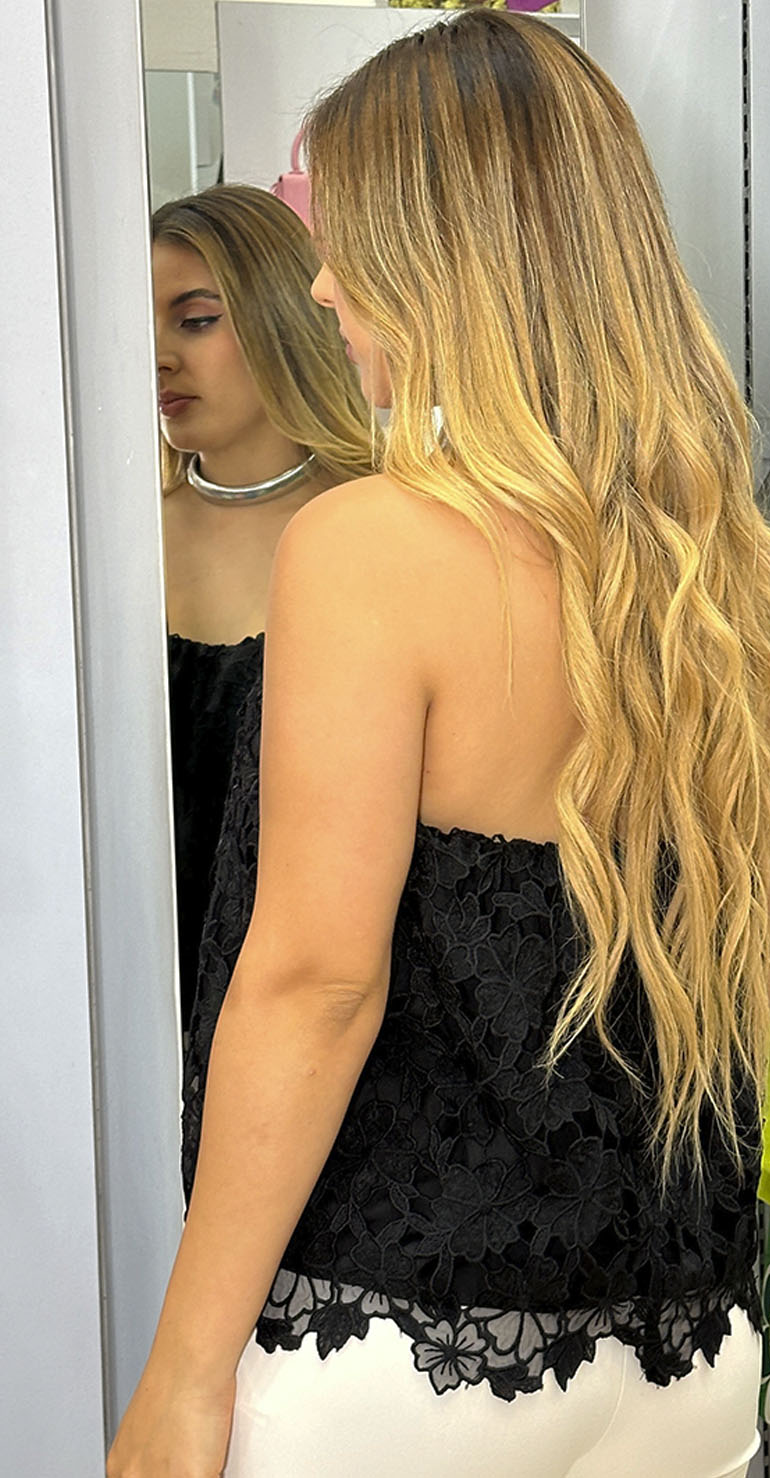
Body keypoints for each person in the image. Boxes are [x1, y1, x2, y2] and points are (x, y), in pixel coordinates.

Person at [110, 12, 770, 1476]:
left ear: (448, 255)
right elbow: (753, 946)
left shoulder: (370, 543)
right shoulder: (723, 568)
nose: (322, 284)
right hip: (687, 1346)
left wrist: (181, 1368)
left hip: (405, 1357)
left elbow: (316, 983)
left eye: (350, 240)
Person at [153, 185, 372, 1032]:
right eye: (144, 325)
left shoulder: (380, 530)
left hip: (321, 1007)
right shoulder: (109, 547)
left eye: (195, 320)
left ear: (282, 316)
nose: (160, 355)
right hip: (136, 991)